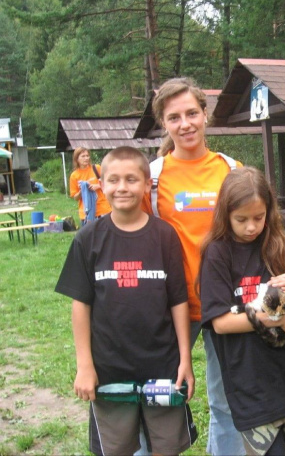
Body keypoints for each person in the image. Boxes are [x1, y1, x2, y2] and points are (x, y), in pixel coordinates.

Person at [55, 146, 196, 455]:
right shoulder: (88, 238)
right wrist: (84, 366)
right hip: (108, 369)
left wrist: (185, 359)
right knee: (116, 449)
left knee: (167, 447)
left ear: (147, 184)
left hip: (163, 366)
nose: (122, 187)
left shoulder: (165, 236)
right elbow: (80, 305)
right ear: (101, 184)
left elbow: (178, 300)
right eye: (113, 180)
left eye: (132, 179)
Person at [143, 77, 245, 455]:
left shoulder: (231, 170)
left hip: (224, 304)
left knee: (227, 402)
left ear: (206, 115)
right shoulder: (151, 178)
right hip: (171, 306)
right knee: (163, 399)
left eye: (191, 113)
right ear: (164, 124)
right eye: (174, 117)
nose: (184, 124)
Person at [199, 166, 285, 455]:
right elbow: (222, 324)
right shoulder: (217, 253)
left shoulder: (276, 245)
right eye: (241, 219)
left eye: (258, 218)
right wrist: (273, 317)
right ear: (225, 214)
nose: (251, 226)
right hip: (248, 379)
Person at [69, 147, 111, 226]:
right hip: (86, 214)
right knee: (89, 238)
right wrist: (82, 191)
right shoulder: (74, 175)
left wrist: (98, 186)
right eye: (83, 156)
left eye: (87, 156)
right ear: (76, 159)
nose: (86, 158)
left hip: (103, 210)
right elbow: (75, 197)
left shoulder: (96, 168)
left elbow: (110, 182)